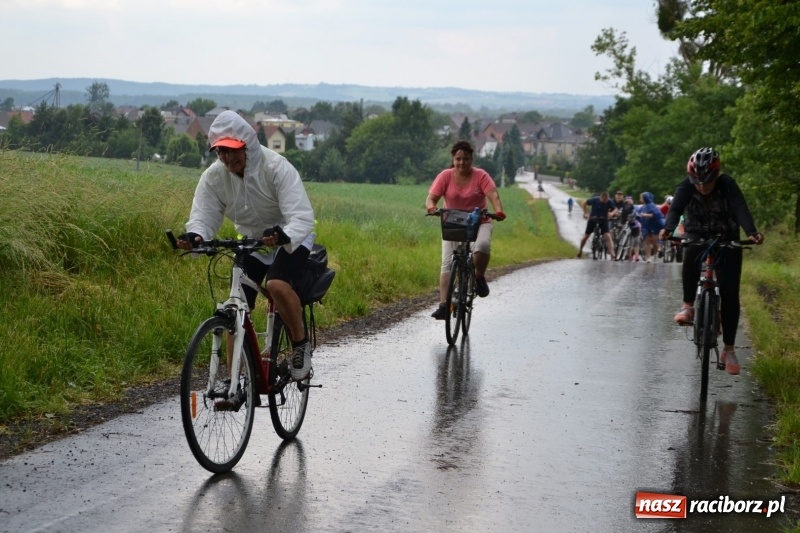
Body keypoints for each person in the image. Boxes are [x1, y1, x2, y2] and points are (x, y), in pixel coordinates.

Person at [176, 110, 317, 381]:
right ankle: (233, 381)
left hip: (290, 236)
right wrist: (195, 235)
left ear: (248, 145)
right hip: (252, 241)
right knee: (237, 303)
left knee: (276, 284)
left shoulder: (276, 167)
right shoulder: (214, 177)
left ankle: (300, 345)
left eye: (233, 150)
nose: (228, 158)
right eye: (221, 152)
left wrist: (284, 235)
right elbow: (204, 215)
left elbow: (300, 216)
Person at [659, 147, 764, 375]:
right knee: (690, 254)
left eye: (706, 182)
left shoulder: (727, 184)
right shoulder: (686, 186)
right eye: (697, 181)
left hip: (726, 238)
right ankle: (688, 306)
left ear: (716, 176)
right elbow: (675, 209)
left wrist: (752, 231)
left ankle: (729, 348)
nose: (702, 186)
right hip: (696, 234)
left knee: (729, 292)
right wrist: (668, 229)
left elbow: (740, 208)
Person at [426, 140, 506, 319]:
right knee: (447, 263)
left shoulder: (481, 176)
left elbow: (493, 195)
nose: (462, 163)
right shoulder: (445, 176)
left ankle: (478, 277)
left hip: (479, 221)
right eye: (458, 159)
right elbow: (431, 198)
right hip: (453, 222)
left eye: (466, 159)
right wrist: (432, 208)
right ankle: (444, 306)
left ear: (472, 159)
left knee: (482, 246)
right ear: (453, 159)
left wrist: (498, 210)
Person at [576, 191, 617, 259]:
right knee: (586, 236)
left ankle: (612, 253)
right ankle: (580, 250)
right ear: (601, 197)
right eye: (604, 200)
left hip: (603, 220)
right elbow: (584, 202)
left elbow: (615, 209)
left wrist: (612, 213)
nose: (605, 202)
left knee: (608, 236)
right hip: (593, 219)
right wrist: (585, 213)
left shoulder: (609, 201)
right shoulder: (595, 199)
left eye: (606, 200)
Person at [638, 191, 665, 262]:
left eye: (641, 197)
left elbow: (655, 215)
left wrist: (644, 215)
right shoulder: (643, 206)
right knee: (647, 241)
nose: (640, 199)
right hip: (646, 226)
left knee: (654, 241)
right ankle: (648, 257)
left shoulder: (651, 205)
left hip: (653, 226)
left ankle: (656, 254)